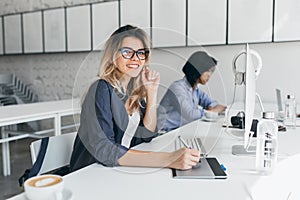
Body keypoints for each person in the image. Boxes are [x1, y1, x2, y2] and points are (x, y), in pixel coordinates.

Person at [70, 25, 200, 172]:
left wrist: (151, 91)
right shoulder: (101, 89)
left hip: (118, 170)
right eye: (127, 52)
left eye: (140, 53)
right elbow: (104, 149)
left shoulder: (133, 91)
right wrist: (168, 159)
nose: (135, 58)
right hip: (90, 173)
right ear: (113, 55)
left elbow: (147, 135)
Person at [157, 51, 227, 132]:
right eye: (207, 70)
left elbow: (216, 105)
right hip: (163, 134)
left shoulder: (195, 90)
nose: (209, 75)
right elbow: (190, 115)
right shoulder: (177, 88)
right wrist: (209, 112)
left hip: (179, 131)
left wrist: (211, 110)